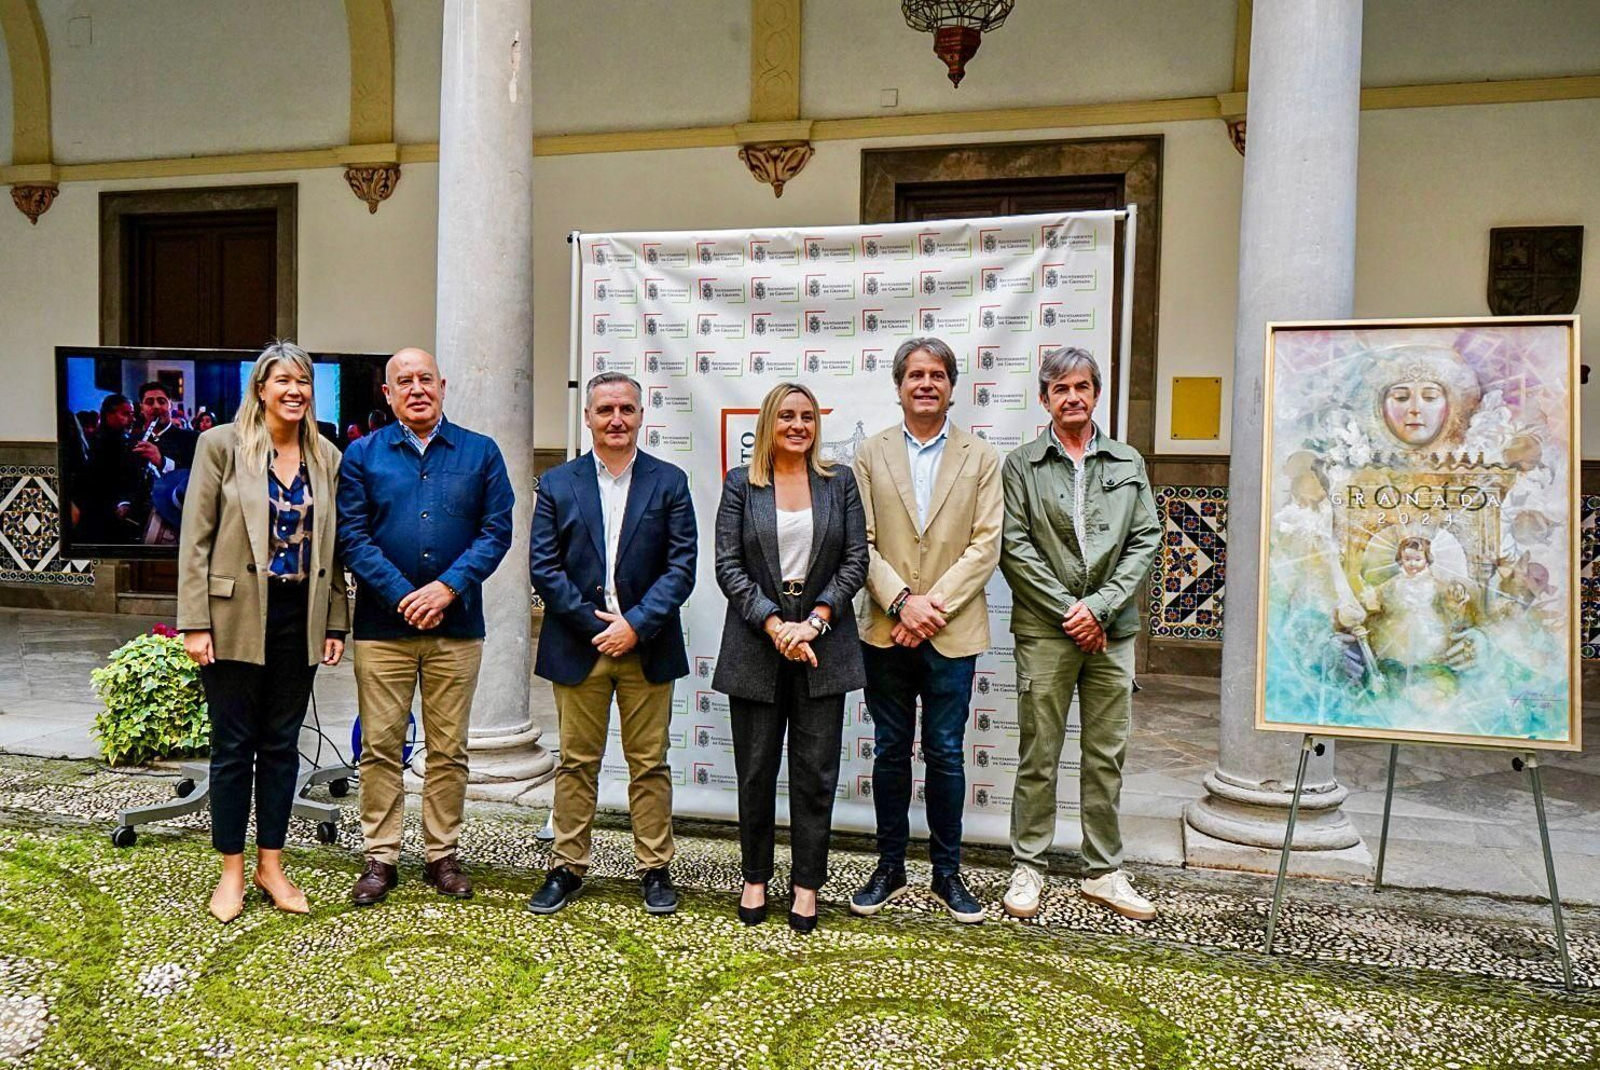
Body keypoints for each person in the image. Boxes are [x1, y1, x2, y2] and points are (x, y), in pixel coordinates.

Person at [176, 341, 348, 923]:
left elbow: (335, 550)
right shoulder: (220, 446)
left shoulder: (327, 455)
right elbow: (195, 541)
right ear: (261, 388)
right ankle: (230, 870)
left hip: (298, 619)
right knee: (232, 749)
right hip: (230, 620)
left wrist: (333, 621)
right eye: (284, 381)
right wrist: (195, 622)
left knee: (280, 747)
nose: (295, 391)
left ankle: (271, 865)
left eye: (303, 381)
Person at [336, 347, 514, 907]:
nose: (416, 388)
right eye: (403, 381)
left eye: (425, 379)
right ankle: (380, 855)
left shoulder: (481, 453)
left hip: (456, 627)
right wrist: (402, 595)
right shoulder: (362, 455)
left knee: (448, 748)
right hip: (380, 629)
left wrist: (446, 588)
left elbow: (496, 530)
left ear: (443, 385)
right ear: (387, 394)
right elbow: (352, 535)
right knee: (382, 746)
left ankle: (442, 854)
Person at [525, 372, 698, 916]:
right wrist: (593, 626)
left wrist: (636, 624)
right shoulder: (557, 484)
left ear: (642, 415)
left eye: (626, 409)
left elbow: (682, 566)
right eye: (605, 410)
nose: (616, 419)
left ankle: (654, 868)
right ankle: (567, 866)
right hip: (580, 646)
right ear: (588, 418)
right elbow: (543, 568)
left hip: (647, 646)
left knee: (649, 764)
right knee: (576, 762)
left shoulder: (669, 481)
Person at [998, 346, 1160, 923]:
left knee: (1105, 753)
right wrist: (1071, 610)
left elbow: (1146, 539)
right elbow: (1013, 547)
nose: (1073, 397)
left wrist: (1101, 608)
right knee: (1039, 752)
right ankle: (1029, 866)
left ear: (1096, 394)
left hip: (1114, 634)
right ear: (1045, 399)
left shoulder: (1126, 462)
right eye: (1060, 388)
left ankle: (1105, 871)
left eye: (1082, 387)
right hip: (1046, 631)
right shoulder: (1021, 464)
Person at [849, 337, 1001, 924]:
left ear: (952, 385)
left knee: (944, 753)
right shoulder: (870, 453)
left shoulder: (982, 455)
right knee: (890, 751)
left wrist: (928, 608)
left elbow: (985, 545)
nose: (926, 384)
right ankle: (889, 866)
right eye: (915, 375)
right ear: (898, 385)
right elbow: (857, 542)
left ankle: (947, 872)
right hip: (886, 631)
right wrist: (901, 603)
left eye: (937, 374)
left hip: (951, 632)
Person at [712, 382, 868, 933]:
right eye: (787, 416)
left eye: (807, 416)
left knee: (815, 774)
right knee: (755, 771)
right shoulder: (741, 484)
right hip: (758, 643)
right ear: (768, 424)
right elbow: (727, 565)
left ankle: (806, 885)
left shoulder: (839, 482)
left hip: (823, 645)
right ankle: (755, 876)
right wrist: (777, 624)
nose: (798, 425)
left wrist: (817, 619)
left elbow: (855, 560)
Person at [135, 381, 200, 472]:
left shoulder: (192, 439)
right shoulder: (133, 441)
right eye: (149, 402)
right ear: (141, 408)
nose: (156, 406)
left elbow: (197, 474)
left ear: (171, 406)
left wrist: (163, 462)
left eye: (162, 402)